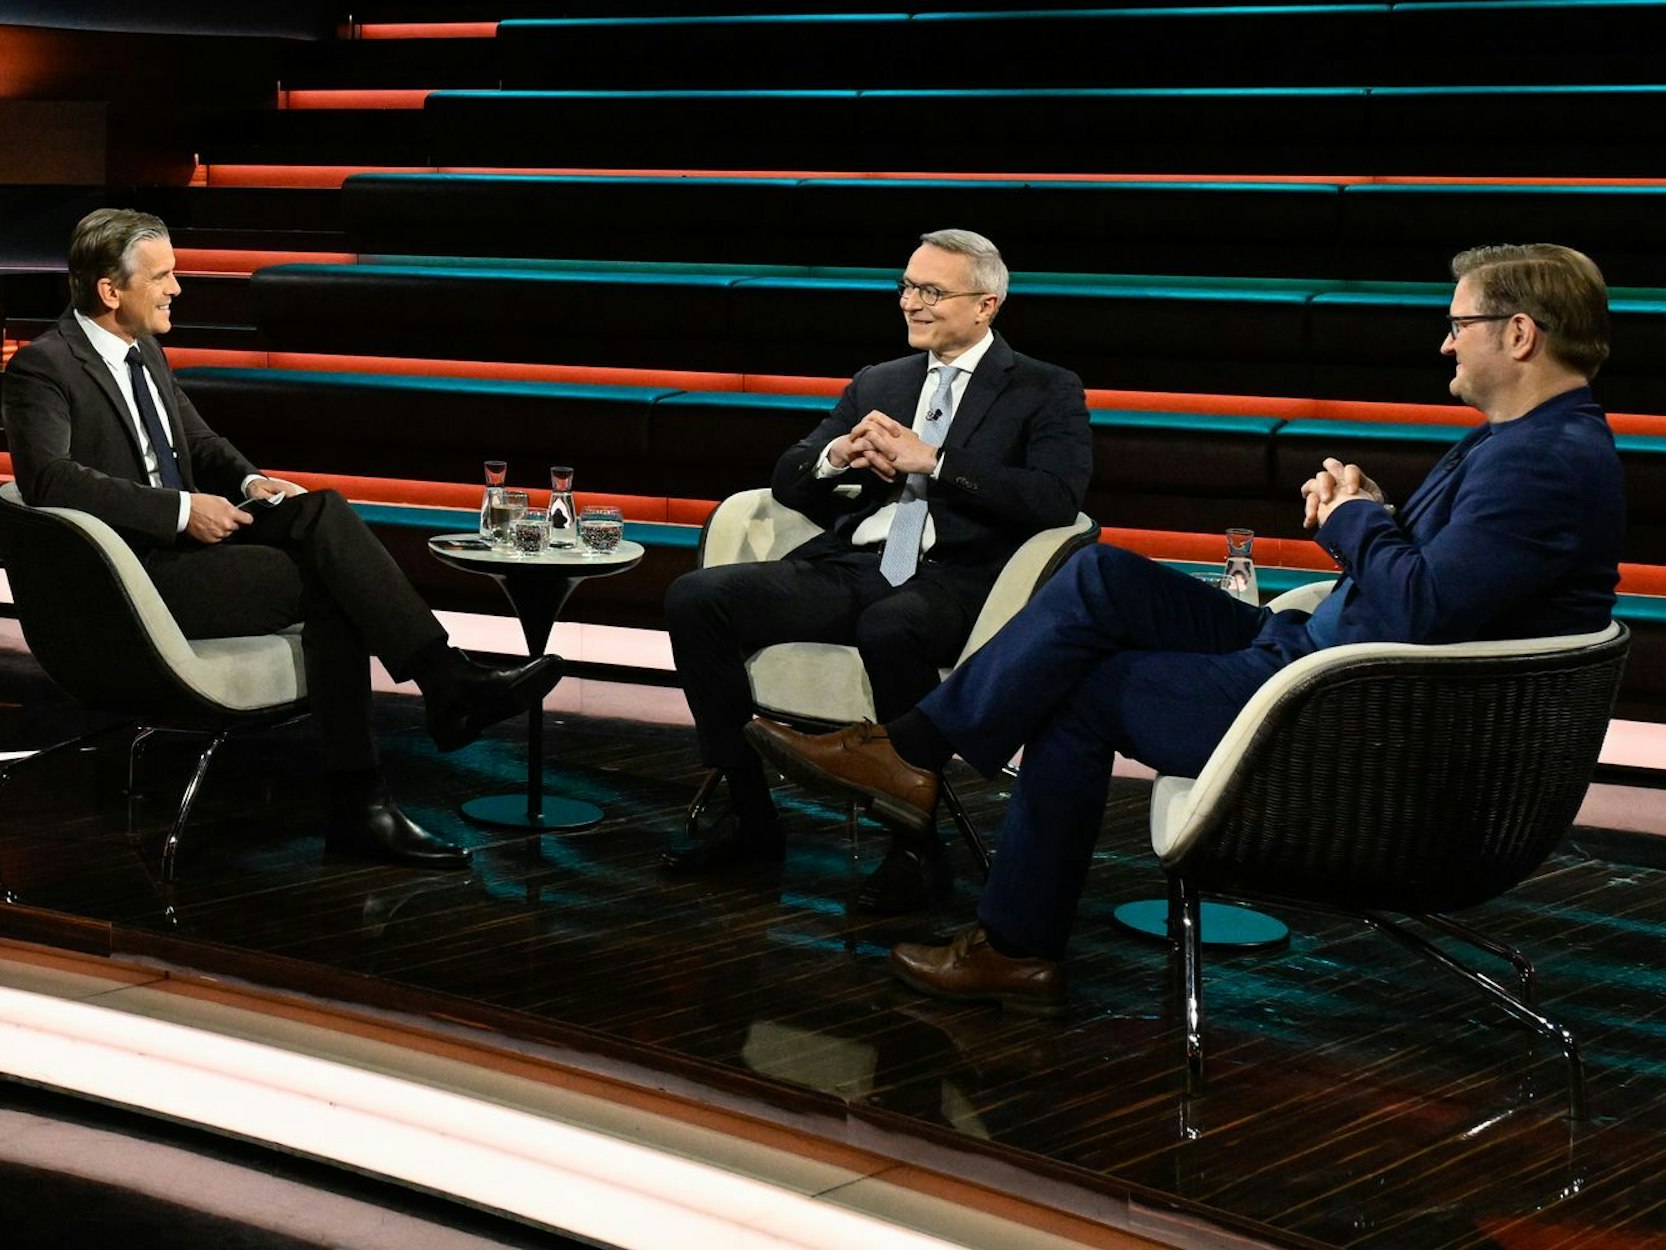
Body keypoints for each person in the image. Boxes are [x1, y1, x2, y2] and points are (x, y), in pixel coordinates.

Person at [746, 243, 1624, 1013]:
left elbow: (1423, 609)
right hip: (1315, 659)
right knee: (1100, 572)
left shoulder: (1544, 462)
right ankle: (915, 758)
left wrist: (1356, 519)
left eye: (1459, 323)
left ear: (1518, 334)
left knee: (1082, 691)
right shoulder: (1527, 443)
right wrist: (1373, 518)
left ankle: (1007, 933)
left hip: (1344, 711)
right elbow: (1444, 586)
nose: (1445, 340)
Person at [3, 208, 564, 870]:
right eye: (162, 275)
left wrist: (250, 481)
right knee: (335, 587)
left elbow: (203, 445)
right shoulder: (44, 367)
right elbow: (50, 482)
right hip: (139, 577)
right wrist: (182, 511)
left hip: (193, 552)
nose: (177, 288)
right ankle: (405, 745)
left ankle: (430, 706)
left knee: (319, 510)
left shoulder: (145, 353)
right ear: (109, 289)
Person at [662, 228, 1093, 912]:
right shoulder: (880, 381)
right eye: (906, 287)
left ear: (986, 306)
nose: (911, 304)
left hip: (956, 578)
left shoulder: (1044, 388)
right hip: (855, 564)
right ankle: (748, 812)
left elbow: (1055, 499)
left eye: (930, 291)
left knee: (893, 625)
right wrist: (837, 456)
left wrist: (937, 464)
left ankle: (914, 851)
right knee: (697, 599)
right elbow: (788, 480)